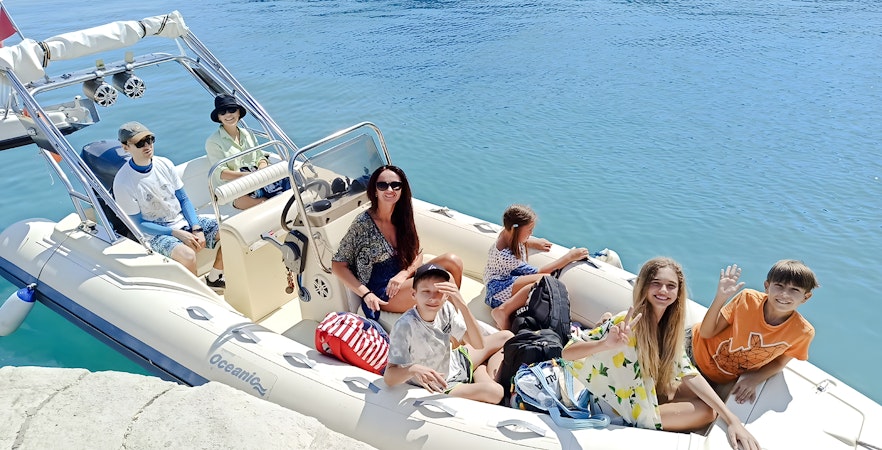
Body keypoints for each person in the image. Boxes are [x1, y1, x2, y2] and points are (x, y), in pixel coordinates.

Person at [562, 257, 759, 450]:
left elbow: (688, 373)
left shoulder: (668, 328)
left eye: (671, 286)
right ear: (644, 286)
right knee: (708, 413)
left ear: (678, 292)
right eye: (656, 283)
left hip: (644, 390)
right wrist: (605, 344)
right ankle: (641, 427)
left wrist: (733, 420)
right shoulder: (627, 322)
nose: (663, 291)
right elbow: (567, 354)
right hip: (620, 407)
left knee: (701, 389)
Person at [332, 165, 463, 320]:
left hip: (404, 277)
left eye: (395, 185)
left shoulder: (402, 217)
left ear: (402, 189)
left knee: (453, 261)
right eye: (382, 185)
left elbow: (417, 254)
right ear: (374, 190)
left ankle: (455, 319)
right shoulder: (363, 224)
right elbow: (337, 265)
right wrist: (366, 294)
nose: (390, 189)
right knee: (443, 279)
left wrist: (404, 274)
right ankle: (458, 327)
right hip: (383, 292)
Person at [113, 121, 225, 289]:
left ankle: (215, 277)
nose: (147, 146)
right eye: (140, 143)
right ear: (126, 147)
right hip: (155, 234)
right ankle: (198, 295)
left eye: (150, 139)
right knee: (187, 255)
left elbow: (184, 199)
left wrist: (196, 227)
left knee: (230, 232)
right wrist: (175, 233)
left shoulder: (164, 163)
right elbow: (139, 225)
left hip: (182, 221)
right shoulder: (123, 182)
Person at [687, 260, 817, 405]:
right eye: (779, 286)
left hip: (724, 377)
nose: (784, 294)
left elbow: (780, 362)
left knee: (711, 411)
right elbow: (706, 333)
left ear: (806, 297)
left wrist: (755, 379)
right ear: (767, 286)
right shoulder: (747, 299)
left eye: (795, 290)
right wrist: (720, 298)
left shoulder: (802, 332)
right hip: (693, 349)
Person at [384, 263, 513, 404]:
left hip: (455, 362)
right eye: (426, 291)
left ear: (446, 295)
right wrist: (413, 369)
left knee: (507, 337)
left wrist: (462, 305)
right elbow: (389, 377)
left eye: (439, 292)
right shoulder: (405, 326)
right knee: (496, 392)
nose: (433, 298)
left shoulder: (446, 308)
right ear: (414, 294)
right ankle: (481, 373)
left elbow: (478, 344)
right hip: (442, 384)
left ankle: (479, 371)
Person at [483, 204, 588, 330]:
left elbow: (517, 239)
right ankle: (503, 311)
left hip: (501, 281)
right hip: (496, 291)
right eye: (529, 230)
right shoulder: (505, 256)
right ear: (515, 229)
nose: (531, 233)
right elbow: (541, 272)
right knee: (544, 279)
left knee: (543, 280)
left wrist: (533, 242)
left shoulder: (507, 233)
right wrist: (569, 257)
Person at [205, 93, 286, 210]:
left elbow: (260, 157)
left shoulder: (248, 134)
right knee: (265, 204)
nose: (228, 115)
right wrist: (248, 176)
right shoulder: (213, 142)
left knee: (287, 191)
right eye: (222, 112)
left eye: (232, 110)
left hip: (257, 179)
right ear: (219, 117)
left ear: (238, 112)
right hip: (233, 188)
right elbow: (221, 173)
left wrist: (262, 170)